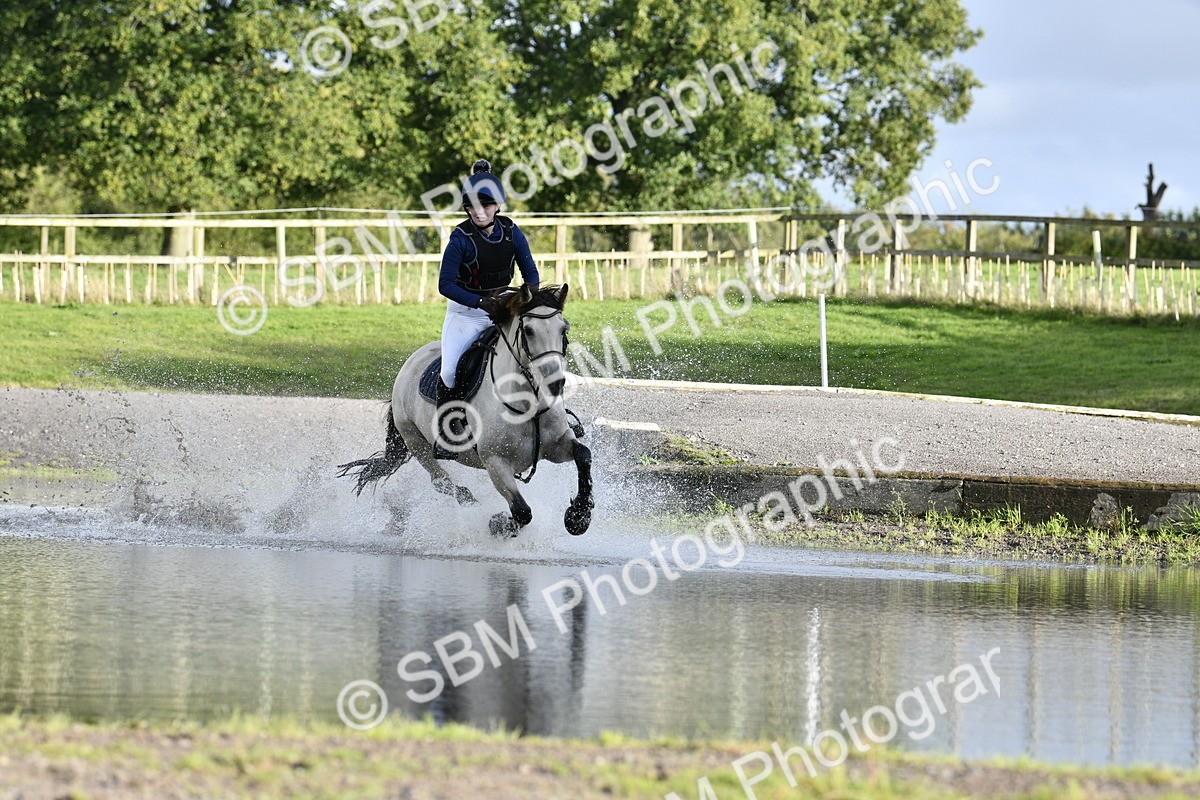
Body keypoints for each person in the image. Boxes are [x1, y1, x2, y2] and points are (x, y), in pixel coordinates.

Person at [433, 159, 540, 459]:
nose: (480, 212)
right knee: (451, 370)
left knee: (537, 352)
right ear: (466, 209)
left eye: (487, 205)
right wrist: (480, 301)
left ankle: (552, 417)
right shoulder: (460, 238)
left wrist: (527, 298)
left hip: (504, 310)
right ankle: (448, 432)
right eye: (473, 207)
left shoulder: (511, 232)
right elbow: (445, 284)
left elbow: (530, 272)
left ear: (497, 206)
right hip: (465, 313)